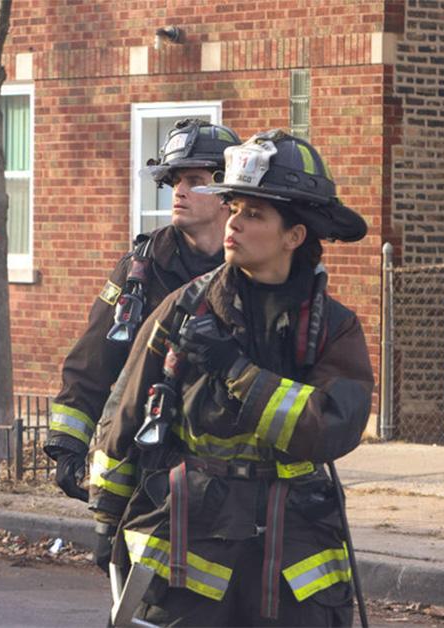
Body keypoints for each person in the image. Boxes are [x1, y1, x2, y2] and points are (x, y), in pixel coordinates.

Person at [90, 130, 374, 625]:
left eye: (254, 214)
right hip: (191, 541)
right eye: (235, 207)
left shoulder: (332, 326)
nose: (234, 223)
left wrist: (236, 373)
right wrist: (106, 517)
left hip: (296, 553)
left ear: (294, 235)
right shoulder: (185, 308)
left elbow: (330, 428)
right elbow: (126, 410)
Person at [45, 120, 241, 503]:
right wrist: (67, 445)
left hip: (230, 468)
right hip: (148, 459)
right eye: (175, 181)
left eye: (194, 180)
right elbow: (93, 361)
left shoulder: (249, 271)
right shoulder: (142, 269)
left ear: (226, 196)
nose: (179, 192)